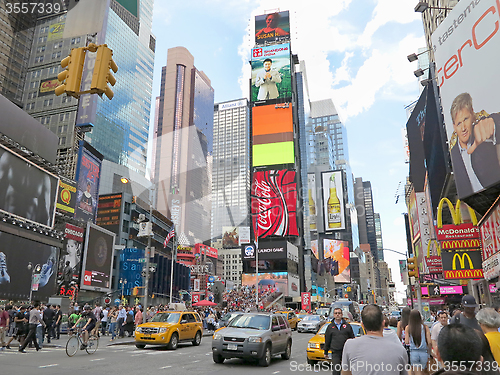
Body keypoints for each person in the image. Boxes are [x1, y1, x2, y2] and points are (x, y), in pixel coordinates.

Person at [449, 92, 500, 197]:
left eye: (465, 119)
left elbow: (494, 122)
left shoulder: (481, 132)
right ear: (454, 126)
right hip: (476, 209)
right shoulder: (453, 155)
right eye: (459, 124)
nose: (463, 128)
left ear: (472, 114)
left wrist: (494, 124)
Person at [341, 304, 408, 375]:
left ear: (362, 325)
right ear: (383, 323)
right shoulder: (399, 350)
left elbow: (346, 372)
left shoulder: (350, 345)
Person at [324, 307, 355, 375]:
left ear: (342, 315)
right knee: (336, 370)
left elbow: (352, 338)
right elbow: (327, 340)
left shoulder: (347, 326)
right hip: (335, 352)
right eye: (336, 313)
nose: (337, 314)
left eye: (339, 313)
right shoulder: (330, 327)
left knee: (347, 370)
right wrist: (326, 351)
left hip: (346, 352)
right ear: (333, 315)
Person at [405, 310, 432, 375]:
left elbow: (406, 341)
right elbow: (430, 342)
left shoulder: (408, 328)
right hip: (424, 353)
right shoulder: (425, 327)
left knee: (417, 373)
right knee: (424, 372)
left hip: (413, 353)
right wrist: (430, 353)